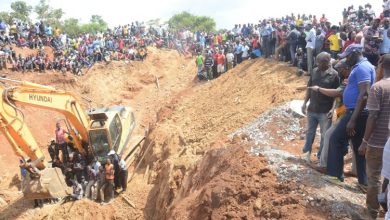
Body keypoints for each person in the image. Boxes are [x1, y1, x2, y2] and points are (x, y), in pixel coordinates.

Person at [326, 44, 376, 188]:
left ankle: (335, 175)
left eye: (347, 56)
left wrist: (352, 120)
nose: (346, 59)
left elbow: (365, 93)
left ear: (354, 54)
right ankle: (363, 182)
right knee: (357, 145)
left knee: (336, 139)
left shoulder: (362, 68)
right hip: (359, 112)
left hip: (356, 112)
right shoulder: (364, 66)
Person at [359, 53, 390, 219]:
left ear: (381, 65)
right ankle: (385, 209)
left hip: (378, 142)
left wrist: (364, 141)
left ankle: (371, 213)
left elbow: (372, 117)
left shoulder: (377, 87)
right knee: (388, 178)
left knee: (374, 178)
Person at [308, 59, 351, 170]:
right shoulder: (347, 79)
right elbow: (338, 98)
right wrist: (335, 109)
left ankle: (325, 165)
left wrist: (319, 89)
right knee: (351, 141)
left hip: (348, 112)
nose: (339, 71)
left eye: (340, 69)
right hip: (344, 110)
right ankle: (355, 170)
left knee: (328, 135)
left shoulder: (346, 79)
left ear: (347, 69)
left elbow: (336, 92)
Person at [301, 52, 340, 162]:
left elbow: (336, 95)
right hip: (312, 109)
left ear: (326, 62)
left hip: (325, 111)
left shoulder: (335, 75)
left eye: (320, 62)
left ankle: (320, 156)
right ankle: (306, 152)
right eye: (317, 62)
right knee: (310, 132)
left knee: (324, 135)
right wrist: (304, 103)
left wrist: (333, 110)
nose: (318, 64)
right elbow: (309, 88)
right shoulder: (314, 72)